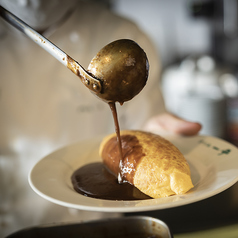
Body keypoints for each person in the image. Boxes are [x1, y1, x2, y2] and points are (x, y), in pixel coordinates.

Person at [0, 0, 201, 236]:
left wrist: (157, 131)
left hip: (104, 223)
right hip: (13, 226)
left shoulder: (121, 34)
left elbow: (142, 126)